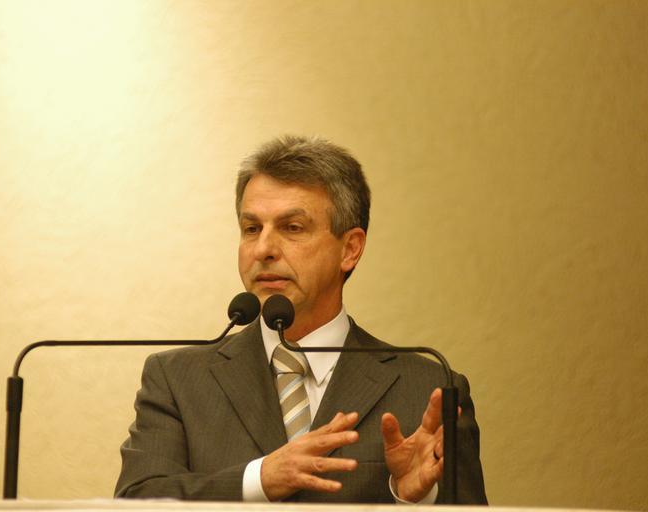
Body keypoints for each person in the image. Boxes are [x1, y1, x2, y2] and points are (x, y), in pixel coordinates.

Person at [115, 135, 487, 504]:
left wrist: (417, 500)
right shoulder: (176, 380)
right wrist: (259, 479)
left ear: (350, 249)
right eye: (252, 229)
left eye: (292, 228)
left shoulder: (429, 388)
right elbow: (137, 502)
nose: (263, 249)